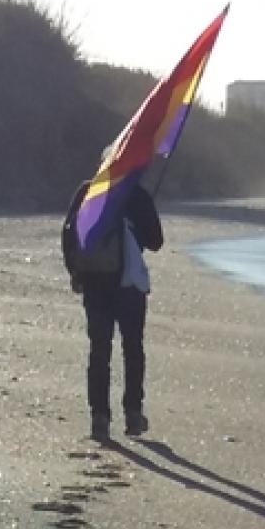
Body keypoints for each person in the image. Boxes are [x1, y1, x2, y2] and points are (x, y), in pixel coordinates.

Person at [62, 179, 163, 441]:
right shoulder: (136, 194)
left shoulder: (87, 191)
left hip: (95, 284)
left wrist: (76, 274)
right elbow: (156, 241)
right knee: (132, 348)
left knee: (99, 350)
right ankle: (132, 412)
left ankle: (99, 417)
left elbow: (69, 234)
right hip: (129, 286)